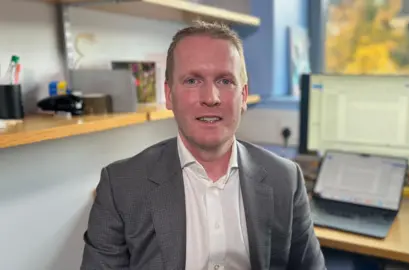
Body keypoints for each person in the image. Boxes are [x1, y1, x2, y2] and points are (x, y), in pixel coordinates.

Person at [81, 20, 326, 270]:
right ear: (169, 95)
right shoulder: (121, 186)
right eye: (192, 81)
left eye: (225, 81)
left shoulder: (285, 179)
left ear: (243, 96)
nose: (211, 98)